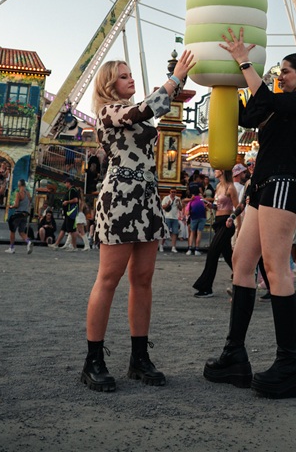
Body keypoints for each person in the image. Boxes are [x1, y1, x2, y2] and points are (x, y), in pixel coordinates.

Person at [204, 30, 296, 399]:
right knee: (242, 263)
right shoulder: (274, 103)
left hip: (284, 184)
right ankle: (234, 355)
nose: (281, 75)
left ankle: (289, 365)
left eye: (286, 70)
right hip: (260, 188)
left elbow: (264, 97)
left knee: (276, 269)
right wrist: (220, 80)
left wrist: (243, 59)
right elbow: (245, 114)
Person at [81, 49, 195, 393]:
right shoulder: (109, 112)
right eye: (123, 76)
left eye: (131, 74)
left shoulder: (135, 114)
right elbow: (147, 107)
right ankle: (93, 360)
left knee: (143, 279)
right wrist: (176, 77)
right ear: (109, 84)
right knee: (109, 278)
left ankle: (139, 357)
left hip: (146, 196)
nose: (131, 79)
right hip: (120, 196)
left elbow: (155, 105)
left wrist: (187, 71)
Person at [192, 169, 240, 298]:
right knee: (228, 255)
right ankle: (243, 278)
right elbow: (218, 205)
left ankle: (206, 287)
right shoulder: (218, 186)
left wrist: (239, 228)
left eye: (218, 169)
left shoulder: (231, 187)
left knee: (212, 253)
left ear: (223, 171)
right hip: (218, 222)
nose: (215, 171)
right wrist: (211, 206)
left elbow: (238, 208)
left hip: (226, 223)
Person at [50, 177, 82, 251]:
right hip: (67, 213)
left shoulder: (73, 190)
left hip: (70, 213)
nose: (65, 184)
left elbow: (76, 200)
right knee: (63, 229)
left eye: (65, 183)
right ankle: (56, 244)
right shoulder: (70, 190)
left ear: (68, 183)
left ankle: (74, 246)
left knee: (72, 230)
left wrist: (67, 202)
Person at [5, 179, 33, 254]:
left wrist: (11, 206)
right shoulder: (28, 194)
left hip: (18, 214)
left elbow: (16, 205)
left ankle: (11, 248)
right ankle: (28, 241)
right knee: (21, 231)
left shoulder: (19, 193)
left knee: (12, 230)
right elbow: (30, 203)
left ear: (19, 185)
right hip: (25, 214)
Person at [161, 188, 182, 253]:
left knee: (175, 233)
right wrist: (168, 204)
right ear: (170, 192)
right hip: (167, 217)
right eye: (172, 192)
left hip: (175, 217)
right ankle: (161, 245)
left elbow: (180, 208)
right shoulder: (166, 198)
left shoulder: (178, 198)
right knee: (165, 232)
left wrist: (178, 203)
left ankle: (173, 247)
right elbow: (163, 207)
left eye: (174, 192)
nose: (173, 193)